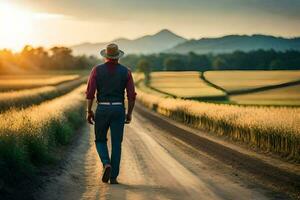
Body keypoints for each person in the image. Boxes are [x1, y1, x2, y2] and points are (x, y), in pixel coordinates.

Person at [85, 43, 136, 184]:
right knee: (116, 144)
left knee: (100, 140)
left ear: (106, 56)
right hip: (119, 109)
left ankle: (106, 163)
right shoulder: (126, 71)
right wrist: (129, 113)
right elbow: (131, 96)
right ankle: (113, 177)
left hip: (102, 109)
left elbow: (90, 93)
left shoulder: (96, 70)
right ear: (118, 57)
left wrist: (89, 111)